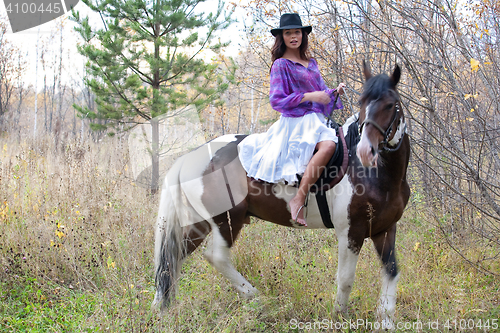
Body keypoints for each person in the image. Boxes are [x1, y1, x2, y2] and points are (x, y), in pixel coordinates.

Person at [238, 13, 345, 227]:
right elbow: (277, 101)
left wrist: (333, 92)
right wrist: (310, 97)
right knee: (327, 146)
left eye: (297, 32)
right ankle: (299, 199)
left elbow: (321, 91)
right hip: (295, 122)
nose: (294, 36)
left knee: (337, 144)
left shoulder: (310, 62)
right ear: (282, 37)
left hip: (315, 120)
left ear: (303, 35)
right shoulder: (280, 65)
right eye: (288, 33)